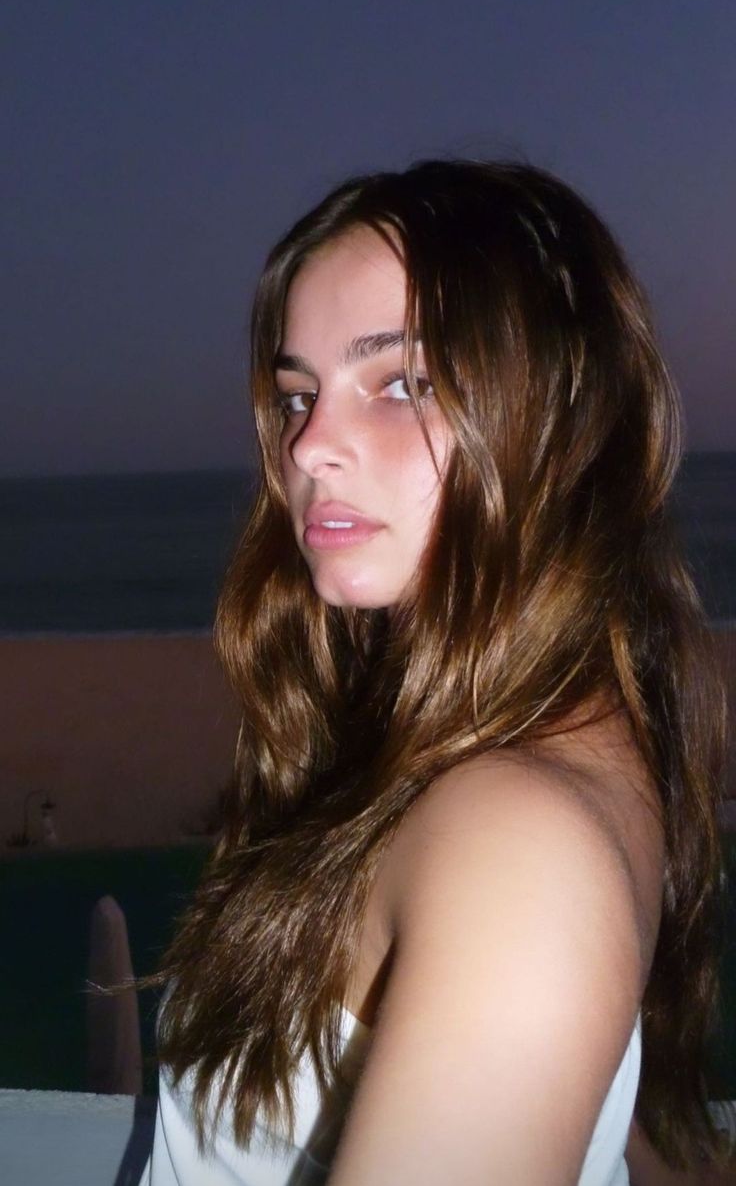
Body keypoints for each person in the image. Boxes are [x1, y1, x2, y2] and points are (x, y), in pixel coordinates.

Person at [141, 160, 729, 1184]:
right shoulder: (558, 728)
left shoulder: (518, 840)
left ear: (556, 417)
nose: (311, 445)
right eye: (297, 393)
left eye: (403, 381)